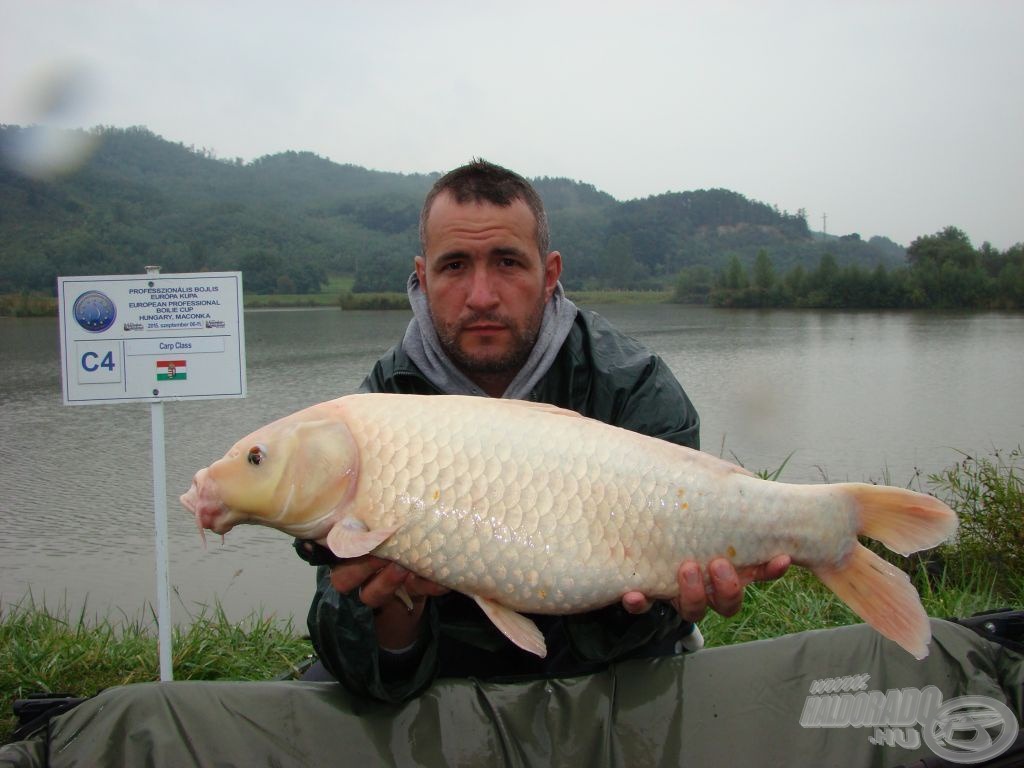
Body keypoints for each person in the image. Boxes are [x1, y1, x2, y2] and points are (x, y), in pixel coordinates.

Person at [297, 159, 790, 701]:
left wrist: (664, 601)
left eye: (507, 262)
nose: (481, 295)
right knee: (333, 695)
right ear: (422, 276)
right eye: (455, 265)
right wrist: (393, 617)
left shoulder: (632, 386)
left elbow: (658, 609)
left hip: (611, 664)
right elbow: (342, 628)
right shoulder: (378, 410)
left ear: (550, 273)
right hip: (448, 670)